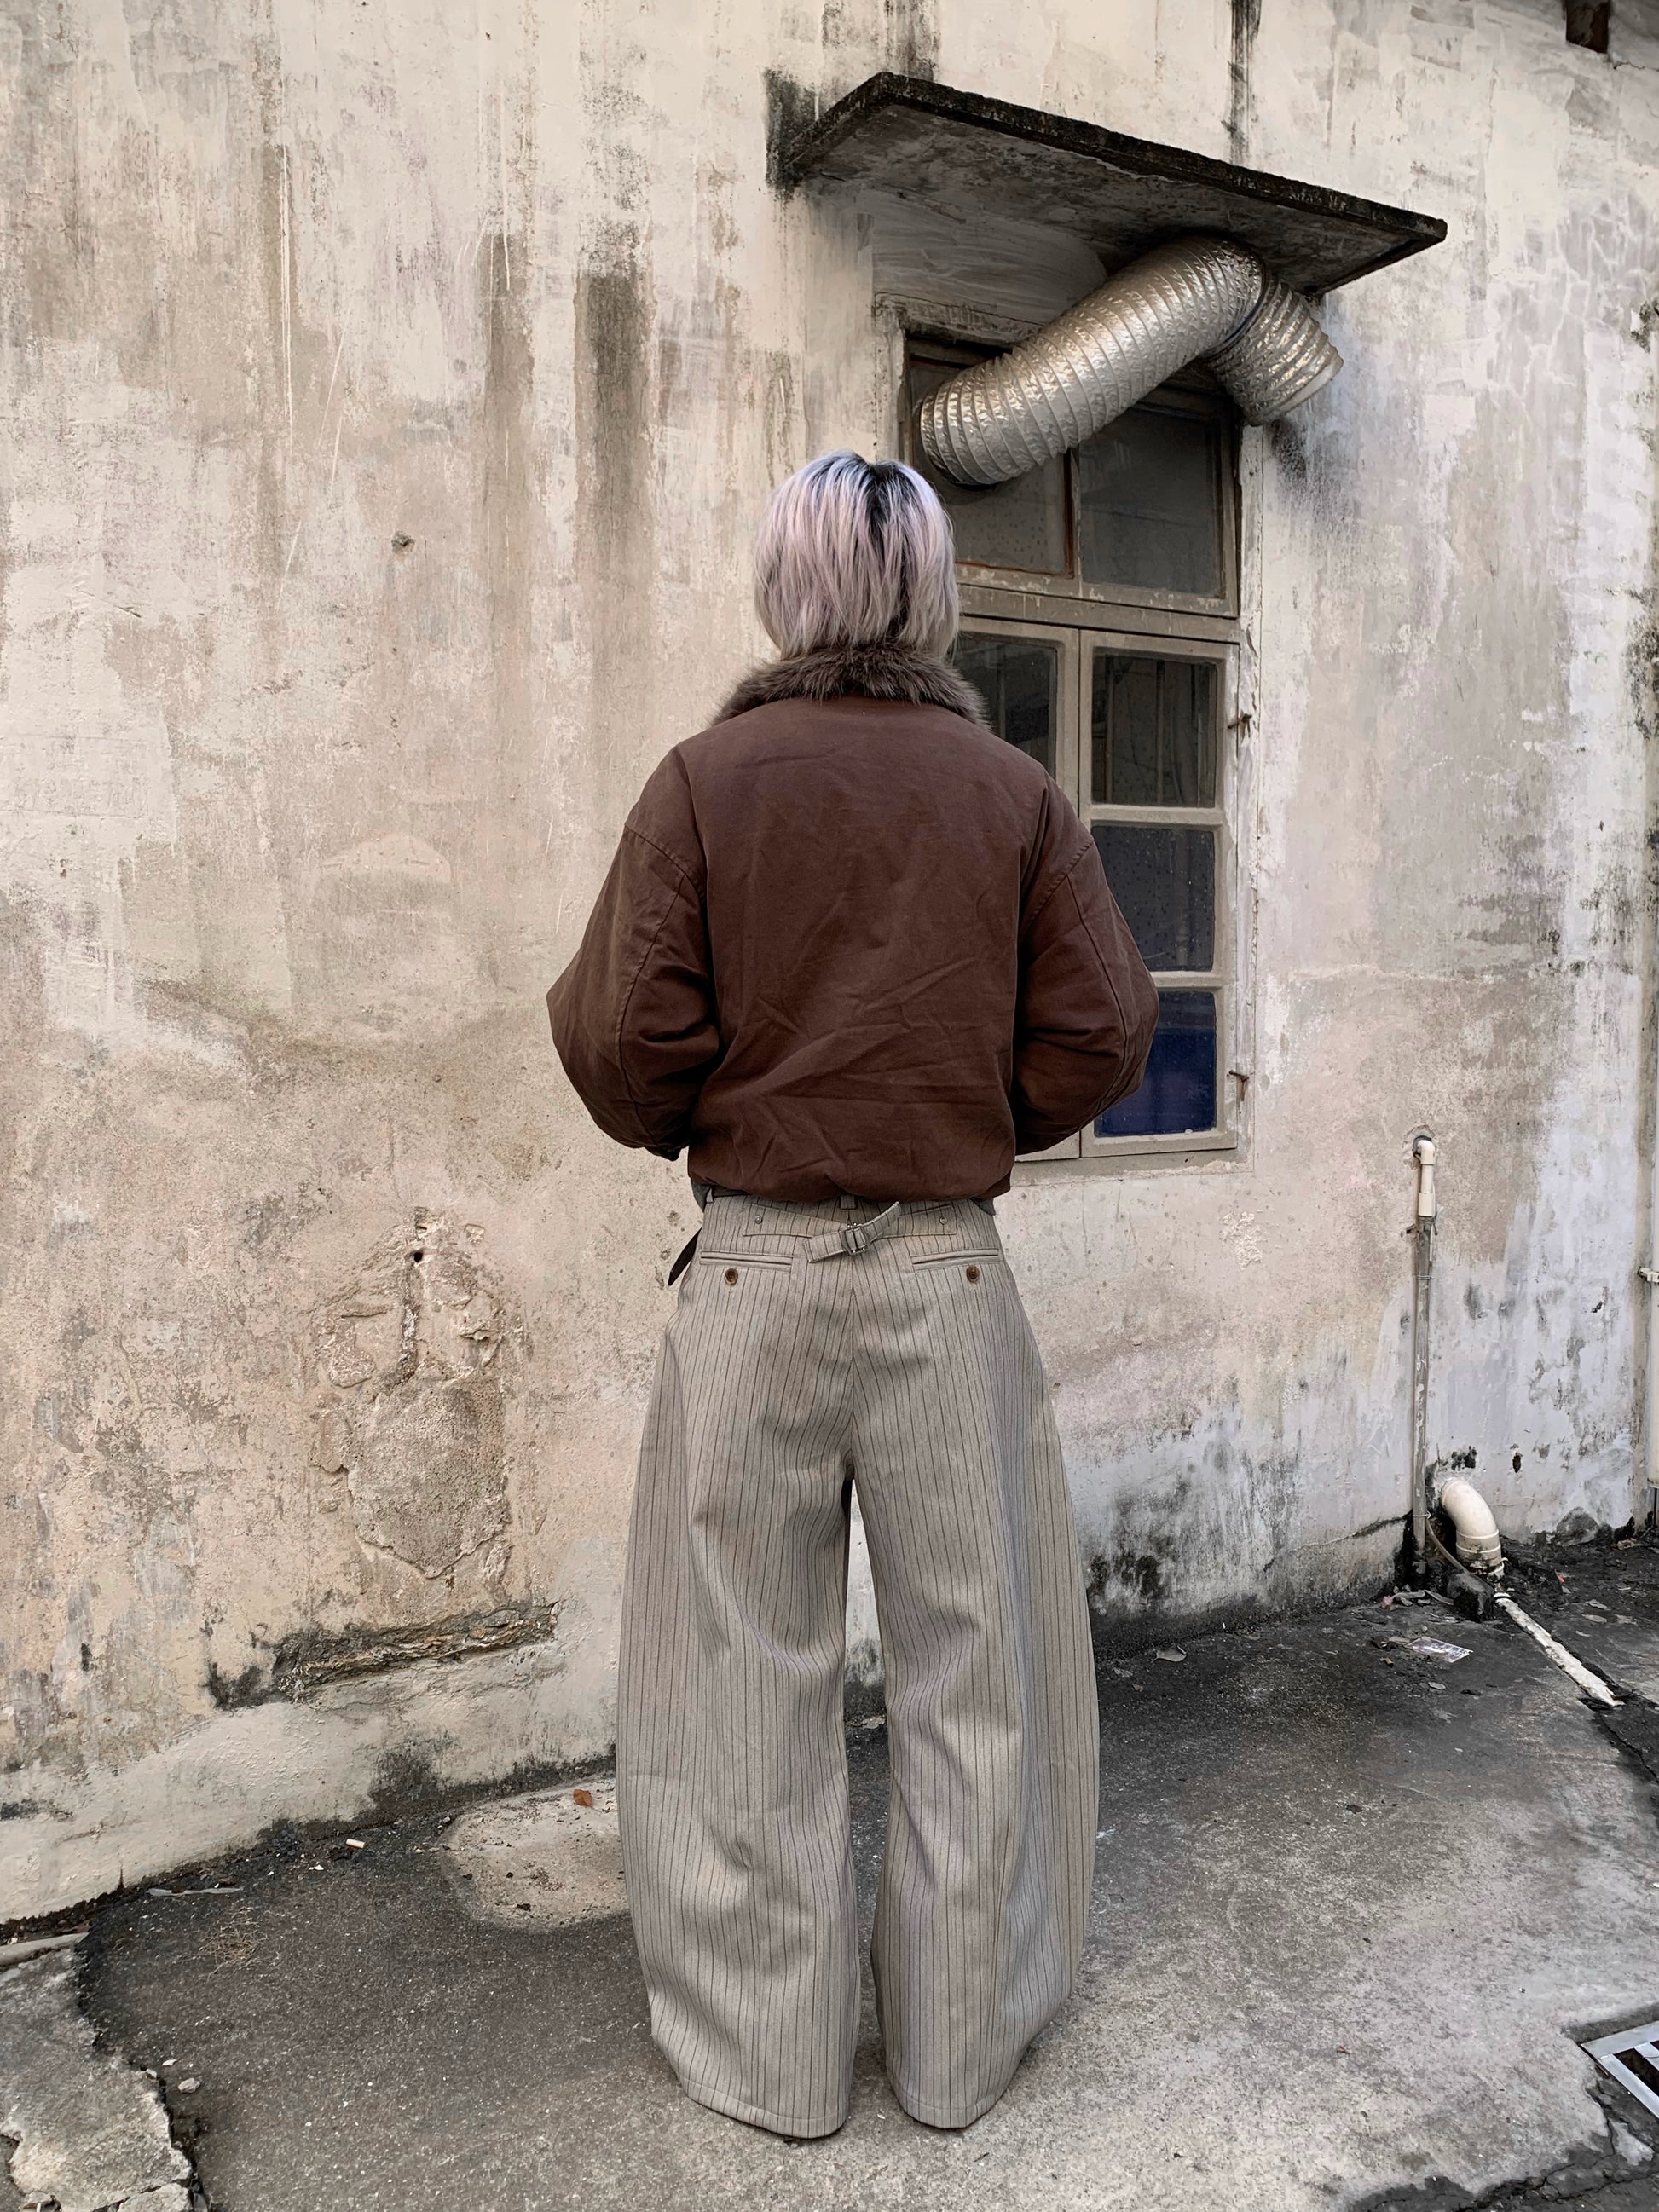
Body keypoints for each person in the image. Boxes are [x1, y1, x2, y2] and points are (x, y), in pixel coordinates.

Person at [547, 450, 1158, 2139]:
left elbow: (619, 1038)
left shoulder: (702, 782)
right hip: (946, 1274)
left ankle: (773, 2062)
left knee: (737, 1675)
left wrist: (721, 1113)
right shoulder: (1011, 793)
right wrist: (964, 1112)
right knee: (984, 1674)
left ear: (784, 589)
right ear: (932, 595)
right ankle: (956, 2054)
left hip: (753, 1273)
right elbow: (1104, 1027)